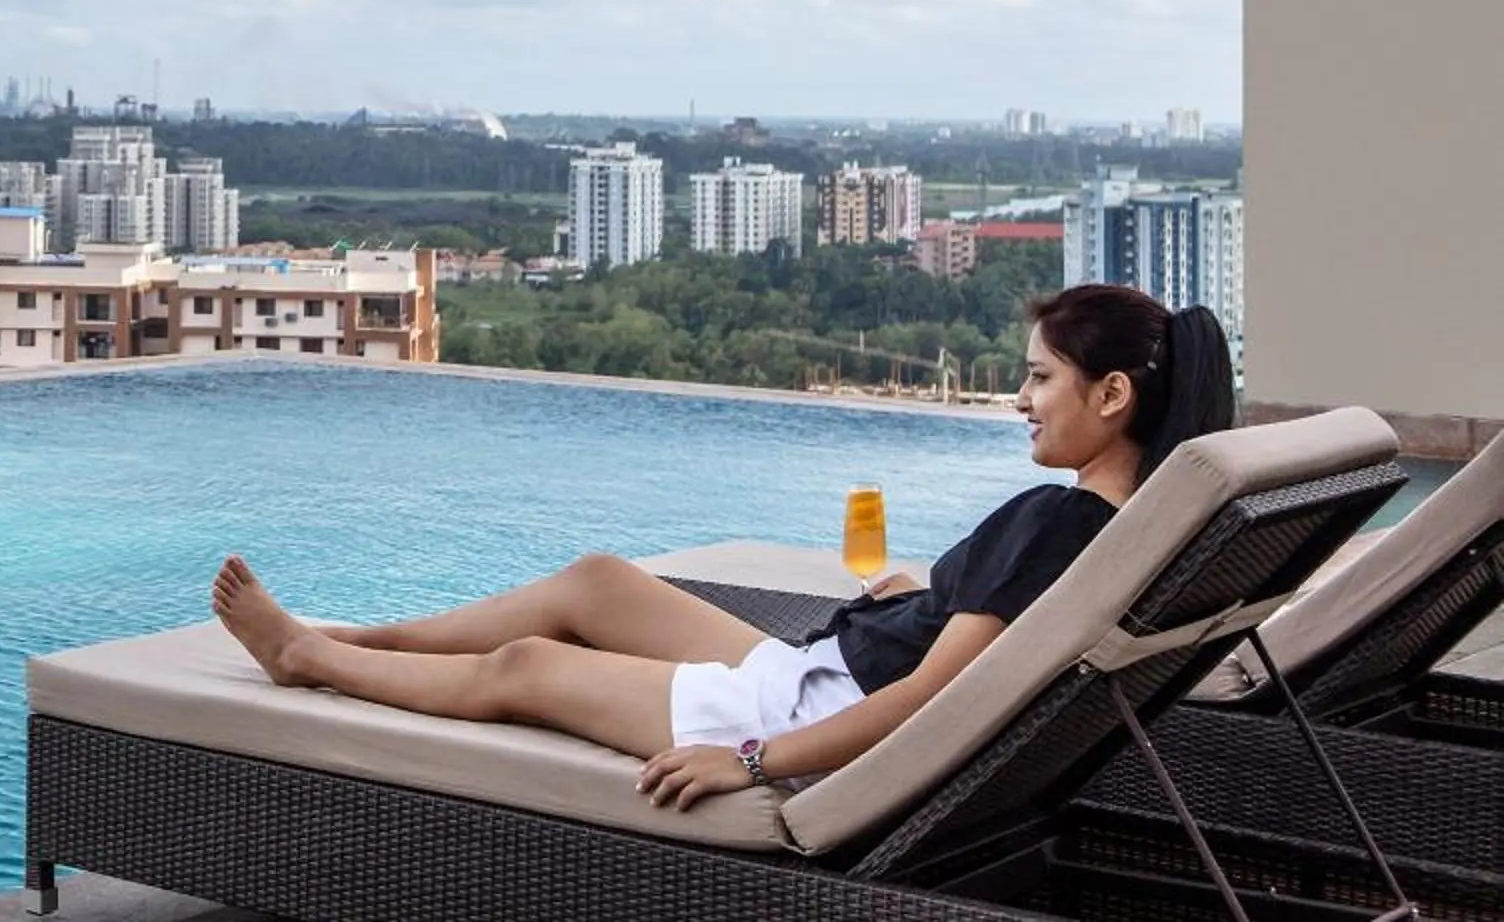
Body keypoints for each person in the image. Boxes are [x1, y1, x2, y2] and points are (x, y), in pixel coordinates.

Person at [210, 285, 1236, 811]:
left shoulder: (1059, 521)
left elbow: (935, 700)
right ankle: (381, 634)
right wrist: (914, 587)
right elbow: (985, 627)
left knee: (528, 666)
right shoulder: (1108, 526)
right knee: (599, 579)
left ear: (1112, 395)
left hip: (806, 713)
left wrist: (752, 758)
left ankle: (309, 657)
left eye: (1041, 378)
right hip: (822, 667)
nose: (1020, 397)